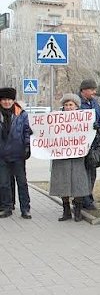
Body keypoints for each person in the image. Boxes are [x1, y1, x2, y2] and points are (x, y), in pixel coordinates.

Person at [49, 94, 91, 222]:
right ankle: (66, 210)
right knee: (63, 183)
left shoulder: (83, 119)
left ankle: (77, 210)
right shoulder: (56, 119)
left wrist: (94, 128)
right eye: (66, 105)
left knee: (77, 183)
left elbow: (88, 133)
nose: (68, 107)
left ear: (76, 106)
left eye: (71, 105)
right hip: (61, 157)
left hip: (77, 157)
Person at [0, 87, 32, 219]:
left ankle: (25, 208)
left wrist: (27, 147)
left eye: (9, 99)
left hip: (18, 154)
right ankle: (7, 207)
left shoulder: (22, 114)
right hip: (1, 155)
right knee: (3, 183)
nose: (6, 102)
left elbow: (27, 131)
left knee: (22, 183)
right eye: (3, 100)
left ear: (13, 100)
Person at [78, 79, 100, 210]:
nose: (94, 92)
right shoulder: (77, 103)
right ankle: (84, 199)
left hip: (94, 144)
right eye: (92, 89)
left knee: (92, 172)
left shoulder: (94, 103)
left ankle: (88, 195)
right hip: (81, 145)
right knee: (83, 173)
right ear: (84, 90)